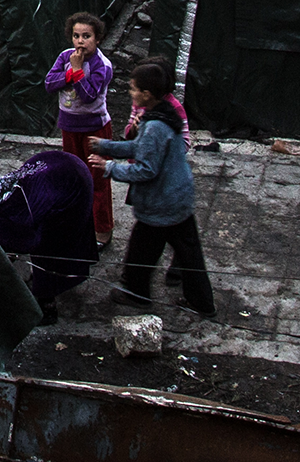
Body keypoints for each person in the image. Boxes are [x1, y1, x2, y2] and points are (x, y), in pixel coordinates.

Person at [89, 61, 215, 316]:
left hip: (160, 204)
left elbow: (145, 169)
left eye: (134, 89)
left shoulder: (154, 125)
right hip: (178, 197)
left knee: (140, 252)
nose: (130, 93)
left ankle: (137, 295)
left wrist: (110, 167)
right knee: (190, 255)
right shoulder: (163, 112)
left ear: (147, 94)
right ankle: (202, 303)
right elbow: (140, 147)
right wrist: (107, 146)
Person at [0, 149, 96, 313]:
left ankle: (46, 305)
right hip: (65, 168)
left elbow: (28, 241)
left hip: (70, 187)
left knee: (49, 245)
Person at [44, 12, 116, 246]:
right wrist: (70, 71)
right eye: (76, 36)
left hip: (95, 129)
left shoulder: (101, 65)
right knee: (73, 176)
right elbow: (49, 83)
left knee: (97, 179)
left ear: (97, 39)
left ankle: (102, 230)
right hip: (69, 127)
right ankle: (77, 222)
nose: (80, 42)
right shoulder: (65, 57)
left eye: (87, 36)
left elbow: (88, 96)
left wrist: (76, 71)